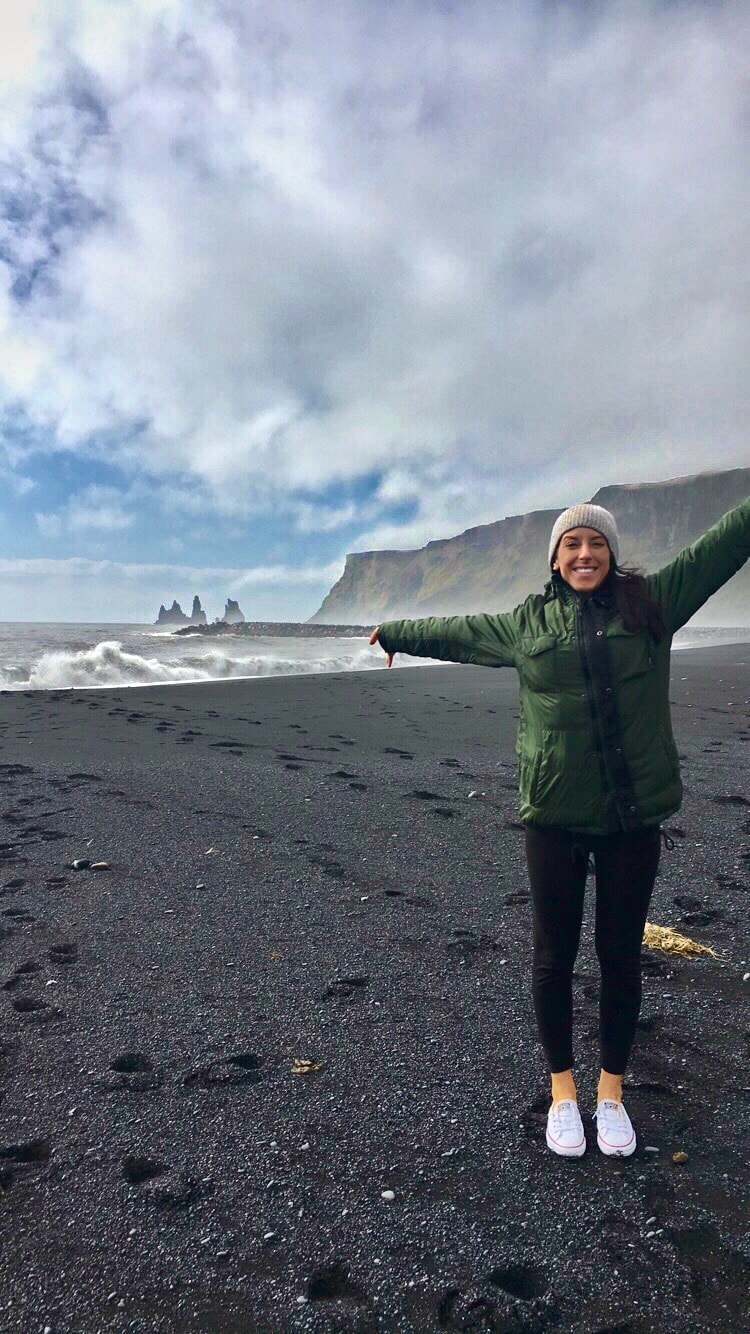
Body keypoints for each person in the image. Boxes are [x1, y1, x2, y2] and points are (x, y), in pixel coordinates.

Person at [370, 496, 750, 1158]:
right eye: (570, 544)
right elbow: (459, 631)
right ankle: (563, 1095)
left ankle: (610, 1095)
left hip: (631, 819)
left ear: (610, 552)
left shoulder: (652, 604)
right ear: (554, 557)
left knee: (620, 954)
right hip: (553, 816)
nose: (583, 553)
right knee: (554, 957)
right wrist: (398, 631)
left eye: (595, 543)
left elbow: (721, 544)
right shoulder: (526, 623)